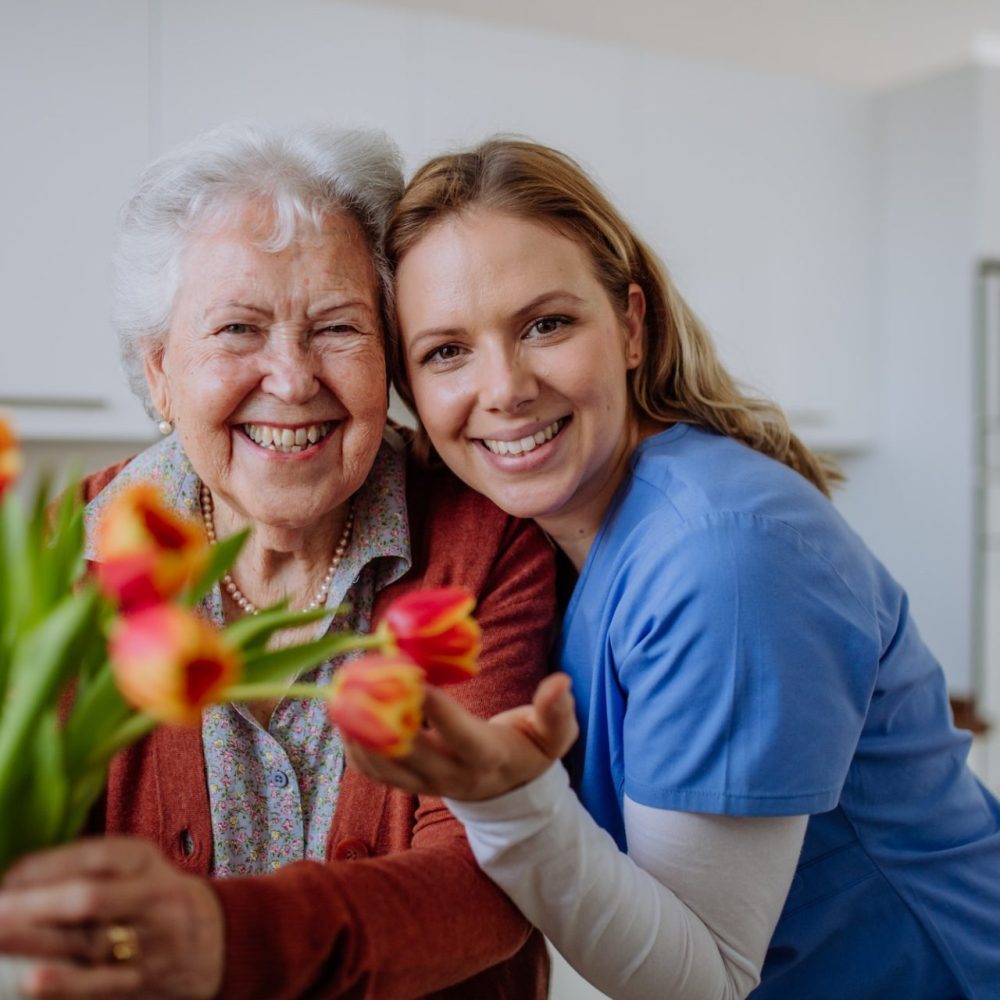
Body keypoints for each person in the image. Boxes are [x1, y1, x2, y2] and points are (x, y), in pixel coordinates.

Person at [347, 137, 1000, 999]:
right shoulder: (550, 535)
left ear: (629, 326)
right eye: (446, 352)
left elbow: (705, 981)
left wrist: (508, 802)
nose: (503, 388)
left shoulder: (720, 558)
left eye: (546, 324)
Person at [0, 126, 556, 999]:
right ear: (159, 371)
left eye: (336, 327)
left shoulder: (484, 542)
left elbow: (496, 874)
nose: (292, 379)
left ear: (389, 356)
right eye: (237, 329)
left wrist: (221, 938)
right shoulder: (67, 554)